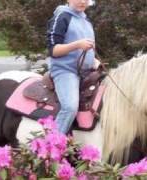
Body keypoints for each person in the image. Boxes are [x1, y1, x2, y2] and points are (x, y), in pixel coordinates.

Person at [46, 0, 99, 134]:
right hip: (66, 71)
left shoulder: (87, 22)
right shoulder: (62, 17)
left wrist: (94, 61)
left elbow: (88, 50)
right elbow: (53, 50)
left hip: (87, 72)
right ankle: (51, 145)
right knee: (70, 107)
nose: (82, 1)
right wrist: (76, 45)